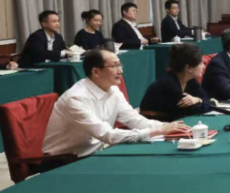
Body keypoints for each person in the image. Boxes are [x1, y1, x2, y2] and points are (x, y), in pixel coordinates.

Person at [42, 49, 186, 158]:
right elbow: (107, 135)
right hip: (64, 161)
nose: (121, 71)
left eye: (120, 65)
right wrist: (158, 131)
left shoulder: (113, 90)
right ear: (96, 72)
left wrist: (166, 127)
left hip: (96, 154)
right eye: (114, 66)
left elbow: (134, 120)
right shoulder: (76, 98)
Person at [140, 43, 214, 120]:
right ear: (189, 68)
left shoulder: (190, 79)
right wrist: (212, 103)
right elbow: (193, 110)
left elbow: (205, 99)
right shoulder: (168, 84)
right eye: (200, 63)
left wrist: (198, 100)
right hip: (154, 123)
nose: (203, 66)